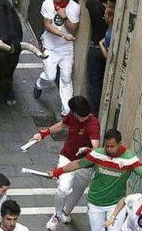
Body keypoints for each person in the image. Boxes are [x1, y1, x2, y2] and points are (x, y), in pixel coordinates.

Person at [47, 129, 142, 231]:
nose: (108, 149)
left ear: (120, 143)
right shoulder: (98, 154)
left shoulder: (130, 159)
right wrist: (57, 172)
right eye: (106, 146)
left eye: (112, 146)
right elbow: (77, 164)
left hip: (116, 204)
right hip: (95, 204)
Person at [29, 96, 100, 230]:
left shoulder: (93, 124)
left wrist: (88, 149)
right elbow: (61, 125)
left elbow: (96, 148)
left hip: (85, 165)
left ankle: (66, 211)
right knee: (64, 189)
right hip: (67, 157)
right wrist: (43, 133)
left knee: (77, 192)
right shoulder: (72, 116)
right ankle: (56, 215)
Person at [33, 0, 80, 116]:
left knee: (66, 78)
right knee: (50, 76)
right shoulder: (47, 4)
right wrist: (63, 35)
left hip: (66, 49)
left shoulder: (75, 8)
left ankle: (66, 110)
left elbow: (73, 29)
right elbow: (47, 26)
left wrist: (64, 17)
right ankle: (39, 84)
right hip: (50, 46)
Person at [78, 0, 110, 115]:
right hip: (107, 50)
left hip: (95, 49)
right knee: (102, 81)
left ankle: (93, 114)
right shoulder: (111, 11)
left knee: (93, 84)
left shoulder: (95, 8)